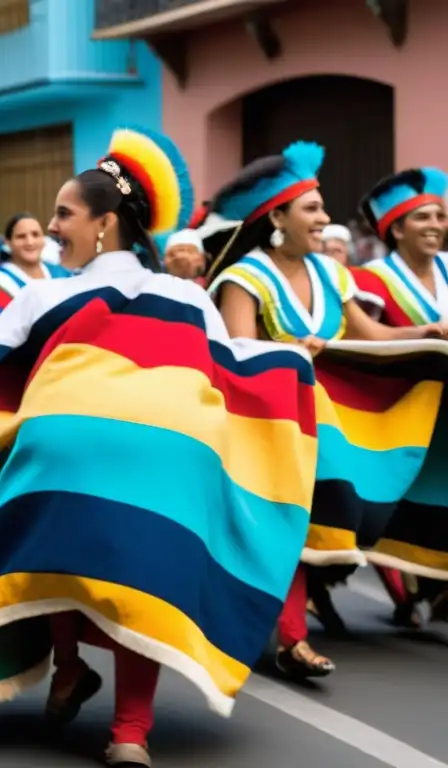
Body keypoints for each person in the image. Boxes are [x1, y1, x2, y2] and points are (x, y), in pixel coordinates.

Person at [0, 126, 316, 768]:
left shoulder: (44, 292)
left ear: (103, 224)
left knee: (52, 536)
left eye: (63, 215)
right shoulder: (187, 295)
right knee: (140, 576)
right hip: (171, 448)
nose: (51, 228)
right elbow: (232, 364)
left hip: (64, 447)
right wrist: (292, 364)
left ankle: (68, 665)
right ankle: (130, 732)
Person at [207, 142, 448, 680]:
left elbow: (375, 337)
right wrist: (291, 351)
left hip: (326, 425)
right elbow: (236, 353)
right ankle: (292, 638)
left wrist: (425, 333)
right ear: (276, 217)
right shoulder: (244, 278)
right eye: (312, 208)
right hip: (268, 424)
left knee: (323, 515)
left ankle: (301, 626)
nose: (325, 218)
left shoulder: (332, 276)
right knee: (299, 520)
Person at [353, 167, 448, 626]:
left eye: (440, 215)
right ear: (395, 228)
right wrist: (422, 334)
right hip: (393, 413)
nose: (435, 224)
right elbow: (358, 344)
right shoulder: (371, 280)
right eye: (422, 217)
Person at [0, 212, 70, 299]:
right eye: (21, 236)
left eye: (35, 235)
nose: (30, 242)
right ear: (8, 243)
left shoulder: (61, 273)